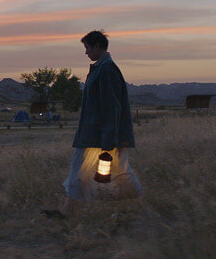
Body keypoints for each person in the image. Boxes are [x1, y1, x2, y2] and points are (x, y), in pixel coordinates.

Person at [43, 30, 142, 218]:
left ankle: (137, 204)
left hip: (99, 135)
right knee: (85, 170)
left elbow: (111, 107)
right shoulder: (101, 68)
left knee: (112, 171)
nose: (86, 52)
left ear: (97, 46)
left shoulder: (107, 70)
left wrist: (108, 141)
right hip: (94, 133)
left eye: (87, 48)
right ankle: (67, 211)